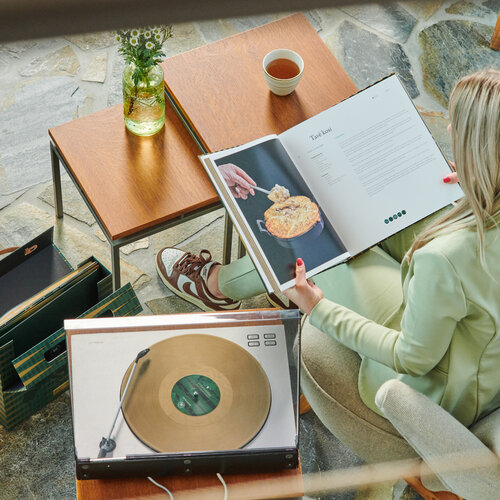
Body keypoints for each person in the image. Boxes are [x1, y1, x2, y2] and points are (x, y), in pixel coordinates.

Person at [156, 69, 500, 461]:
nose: (449, 128)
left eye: (458, 127)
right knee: (377, 205)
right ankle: (245, 284)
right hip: (474, 333)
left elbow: (412, 358)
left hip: (439, 383)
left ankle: (219, 287)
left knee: (318, 246)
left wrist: (318, 309)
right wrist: (478, 186)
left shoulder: (442, 259)